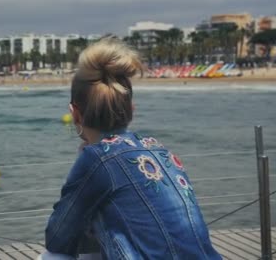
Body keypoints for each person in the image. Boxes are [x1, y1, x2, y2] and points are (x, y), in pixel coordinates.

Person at [42, 38, 221, 259]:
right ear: (132, 110)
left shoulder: (96, 158)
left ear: (74, 113)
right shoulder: (159, 150)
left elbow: (58, 237)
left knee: (54, 255)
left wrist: (85, 161)